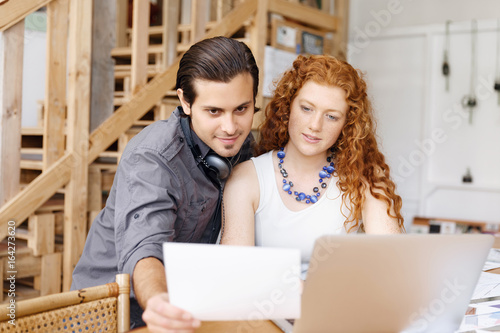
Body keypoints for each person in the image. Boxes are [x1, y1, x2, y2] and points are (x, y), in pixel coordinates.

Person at [71, 36, 260, 331]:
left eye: (241, 109)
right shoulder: (152, 157)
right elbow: (144, 248)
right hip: (112, 311)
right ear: (185, 101)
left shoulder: (244, 145)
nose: (230, 127)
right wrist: (159, 300)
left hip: (186, 309)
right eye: (214, 111)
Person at [221, 55, 404, 278]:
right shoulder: (247, 178)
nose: (315, 126)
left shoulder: (365, 178)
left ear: (347, 124)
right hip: (264, 309)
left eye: (332, 117)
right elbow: (234, 273)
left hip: (336, 306)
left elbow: (395, 266)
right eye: (307, 109)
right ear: (288, 107)